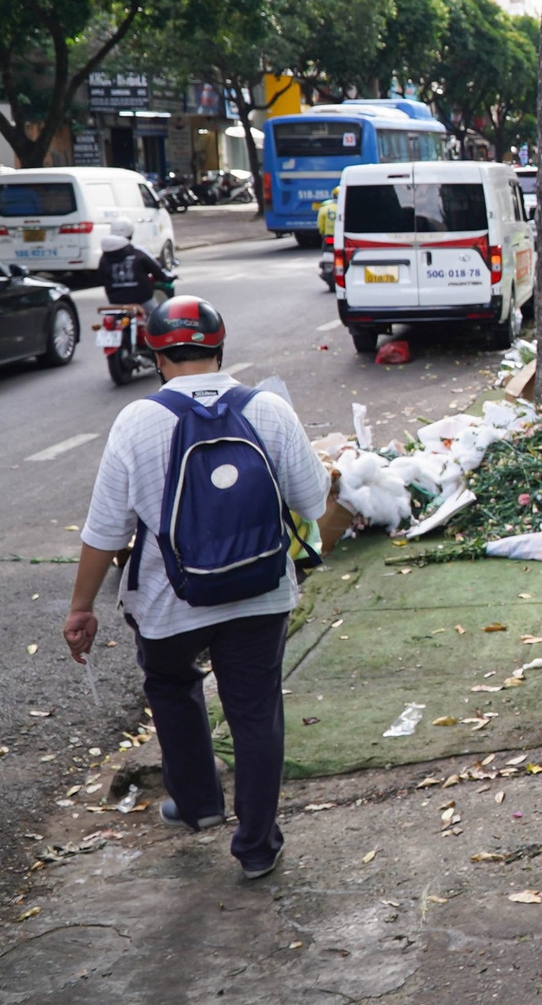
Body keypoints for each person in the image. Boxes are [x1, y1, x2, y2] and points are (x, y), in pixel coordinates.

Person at [62, 297, 330, 880]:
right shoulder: (269, 409)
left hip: (168, 603)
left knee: (170, 683)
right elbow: (313, 502)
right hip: (260, 594)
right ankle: (257, 848)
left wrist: (81, 608)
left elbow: (106, 531)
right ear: (219, 349)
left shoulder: (137, 421)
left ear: (157, 357)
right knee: (255, 712)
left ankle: (199, 803)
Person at [98, 220, 176, 307]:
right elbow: (156, 269)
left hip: (116, 301)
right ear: (131, 233)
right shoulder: (137, 252)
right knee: (156, 316)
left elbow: (100, 278)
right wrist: (166, 277)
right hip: (141, 299)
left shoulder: (104, 258)